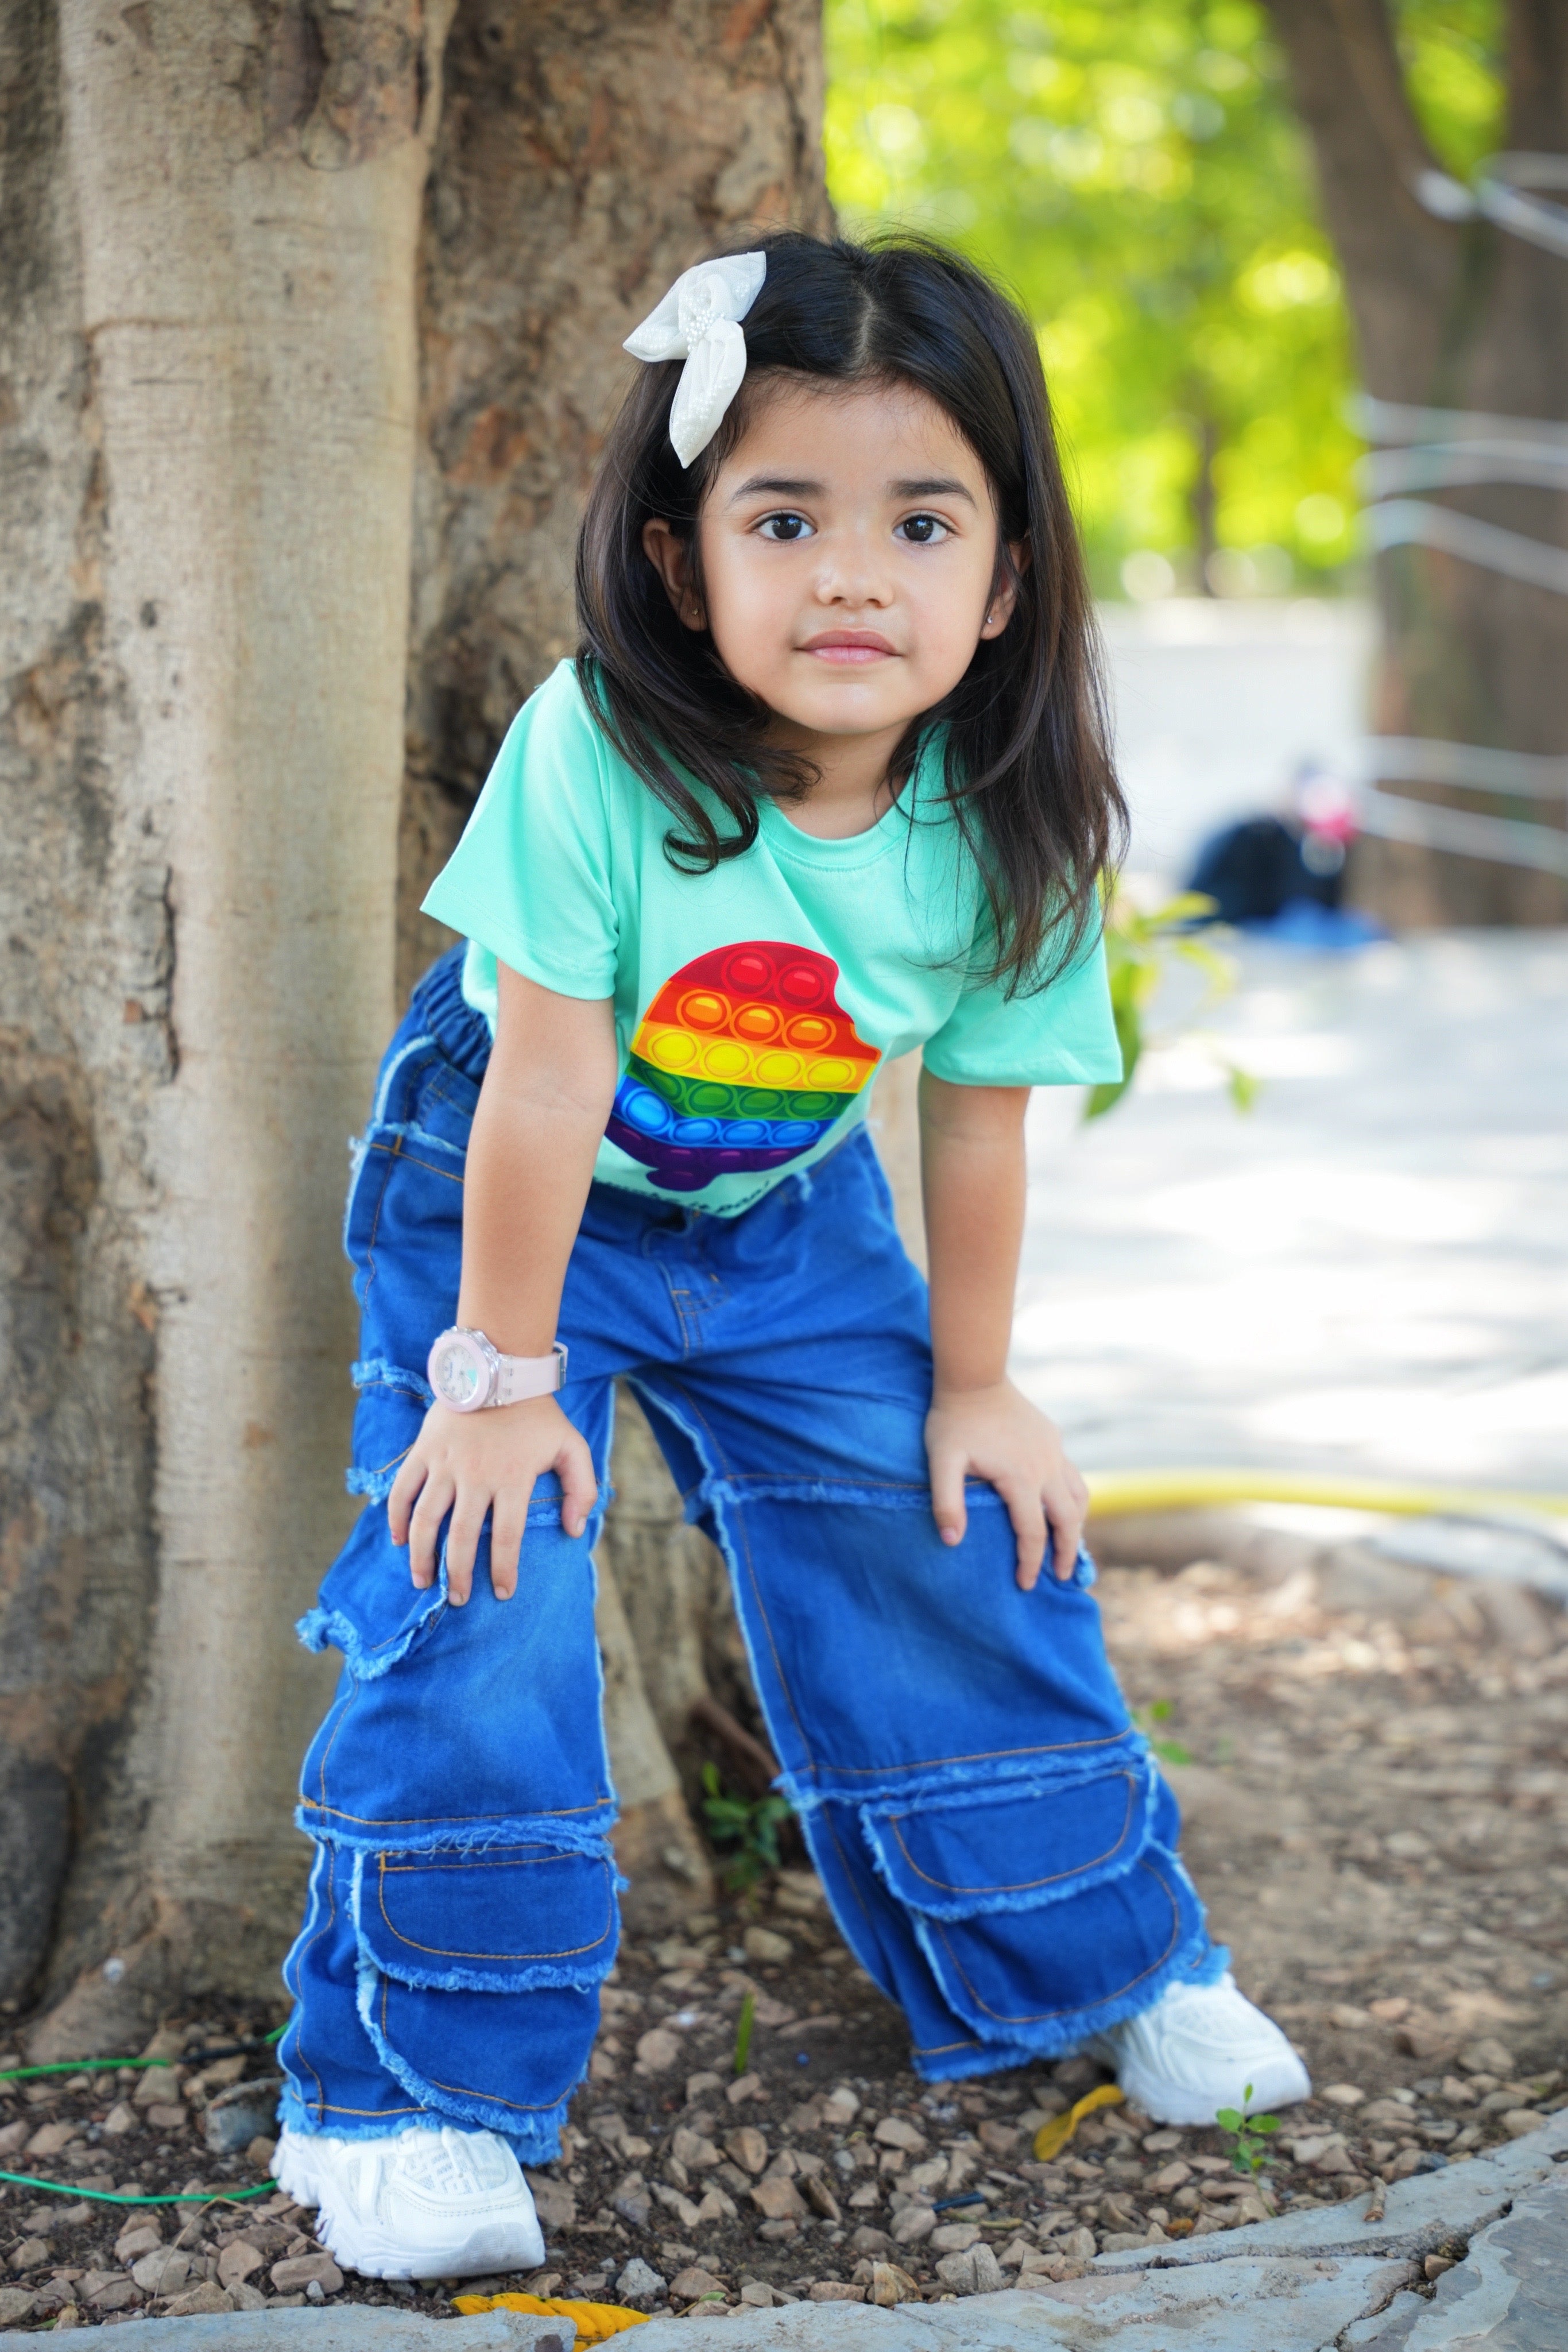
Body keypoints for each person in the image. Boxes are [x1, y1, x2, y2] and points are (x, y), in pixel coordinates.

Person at [273, 232, 1308, 2281]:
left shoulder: (1009, 814)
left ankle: (1100, 1957)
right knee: (477, 1573)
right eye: (784, 517)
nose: (853, 574)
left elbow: (978, 1117)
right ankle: (398, 2092)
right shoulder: (598, 745)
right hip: (510, 1201)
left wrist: (978, 1379)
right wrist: (493, 1382)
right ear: (684, 561)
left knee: (954, 1534)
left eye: (919, 521)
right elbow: (544, 1091)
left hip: (786, 1215)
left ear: (1001, 579)